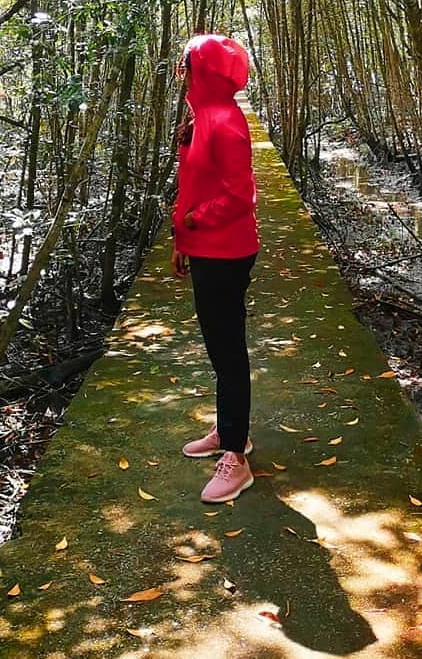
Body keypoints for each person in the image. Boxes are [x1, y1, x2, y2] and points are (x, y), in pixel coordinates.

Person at [171, 34, 260, 503]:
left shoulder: (225, 122)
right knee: (219, 347)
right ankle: (232, 430)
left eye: (187, 65)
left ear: (204, 71)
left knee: (228, 352)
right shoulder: (202, 116)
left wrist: (194, 222)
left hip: (227, 251)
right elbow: (195, 185)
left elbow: (238, 196)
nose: (181, 72)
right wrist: (183, 239)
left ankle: (236, 458)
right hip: (206, 248)